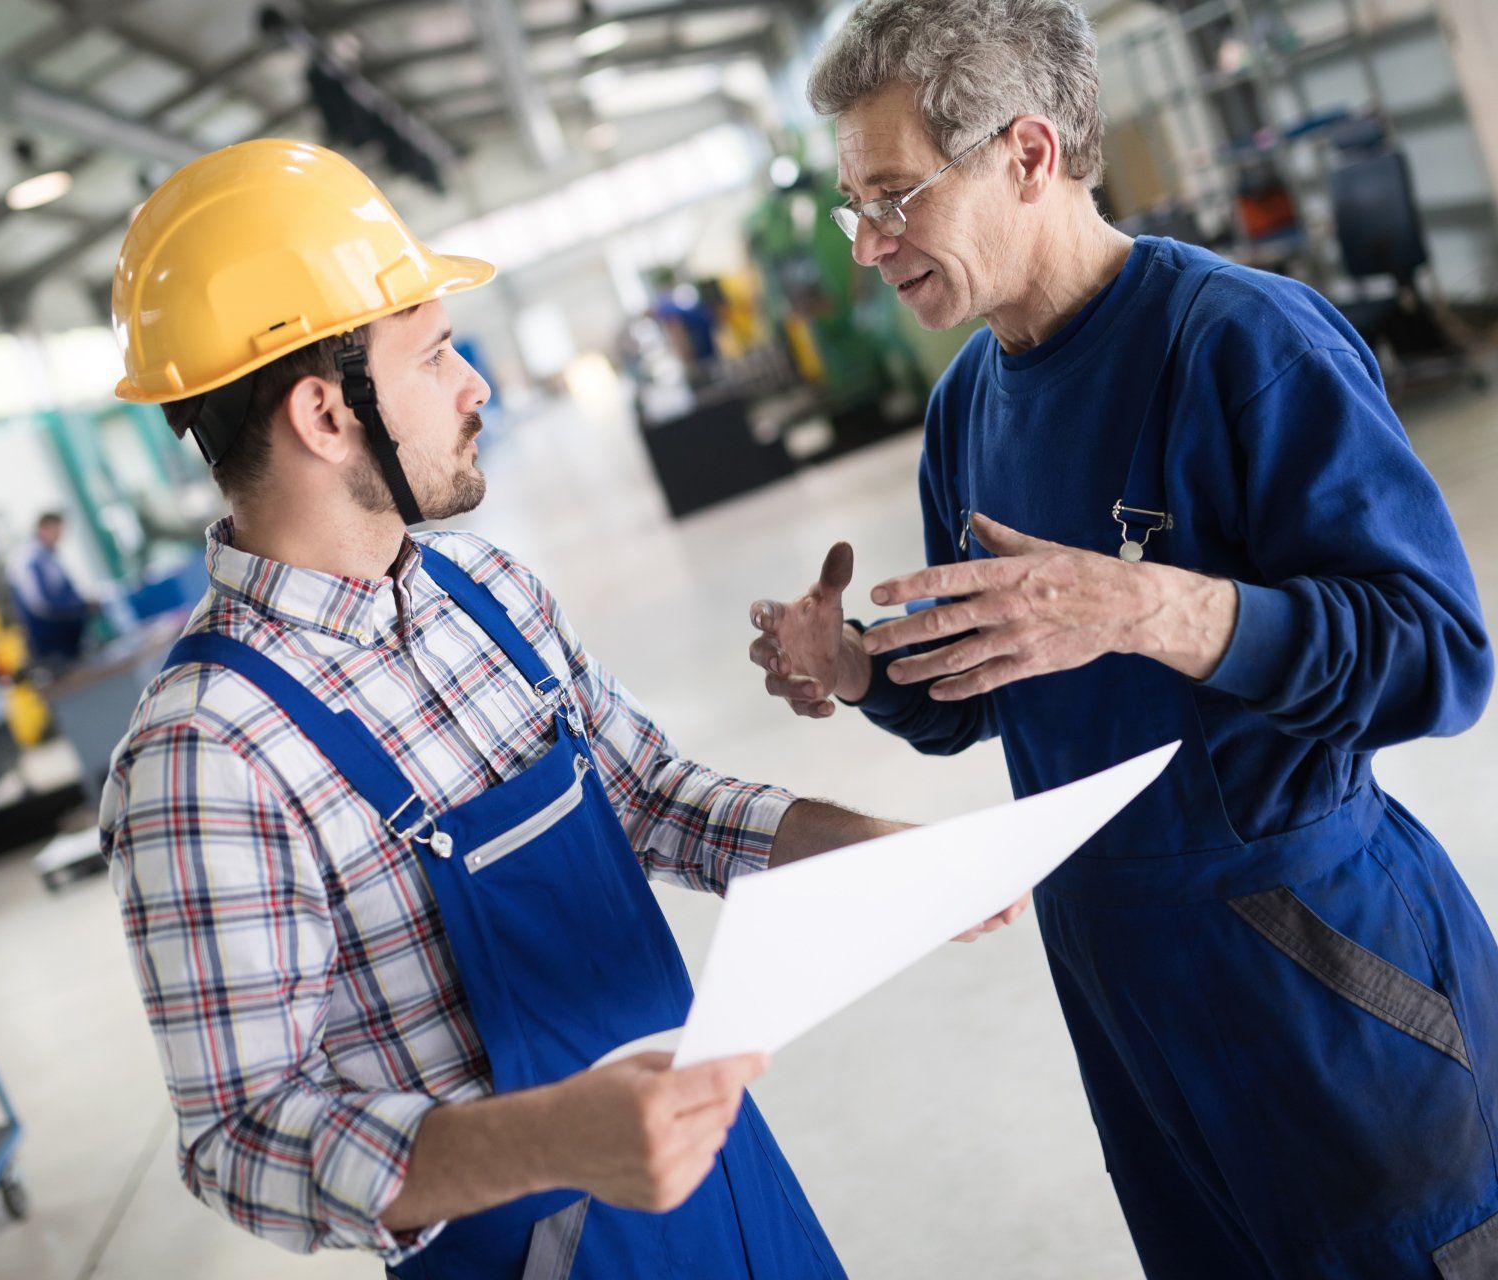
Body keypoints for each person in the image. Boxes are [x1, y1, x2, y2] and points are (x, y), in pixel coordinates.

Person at [99, 139, 1009, 1277]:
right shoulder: (205, 754)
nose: (476, 384)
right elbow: (241, 1135)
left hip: (716, 1180)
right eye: (435, 357)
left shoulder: (485, 590)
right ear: (327, 415)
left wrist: (870, 854)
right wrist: (554, 1137)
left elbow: (652, 797)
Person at [749, 2, 1498, 1276]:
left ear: (1027, 156)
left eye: (893, 195)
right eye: (850, 204)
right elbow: (977, 688)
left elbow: (1438, 655)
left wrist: (1152, 607)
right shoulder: (966, 410)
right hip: (1126, 992)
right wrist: (863, 668)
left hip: (1318, 969)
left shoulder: (1244, 344)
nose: (868, 245)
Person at [6, 511, 94, 660]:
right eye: (56, 531)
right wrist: (77, 607)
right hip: (51, 638)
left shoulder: (46, 556)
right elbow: (40, 604)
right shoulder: (29, 559)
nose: (59, 537)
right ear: (43, 529)